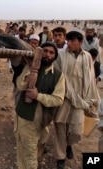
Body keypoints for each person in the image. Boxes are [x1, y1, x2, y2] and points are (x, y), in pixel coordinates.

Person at [14, 41, 65, 169]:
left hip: (37, 119)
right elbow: (20, 85)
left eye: (51, 52)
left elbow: (58, 99)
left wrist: (38, 96)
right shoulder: (29, 66)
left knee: (30, 154)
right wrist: (30, 73)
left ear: (55, 56)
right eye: (45, 51)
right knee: (21, 149)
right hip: (21, 114)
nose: (47, 54)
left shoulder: (58, 76)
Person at [53, 30, 100, 169]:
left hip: (80, 98)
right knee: (60, 126)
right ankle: (60, 157)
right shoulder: (61, 55)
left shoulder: (86, 57)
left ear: (80, 42)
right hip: (64, 96)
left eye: (73, 41)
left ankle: (69, 144)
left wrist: (91, 98)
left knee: (75, 130)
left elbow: (90, 79)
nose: (70, 43)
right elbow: (56, 74)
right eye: (69, 40)